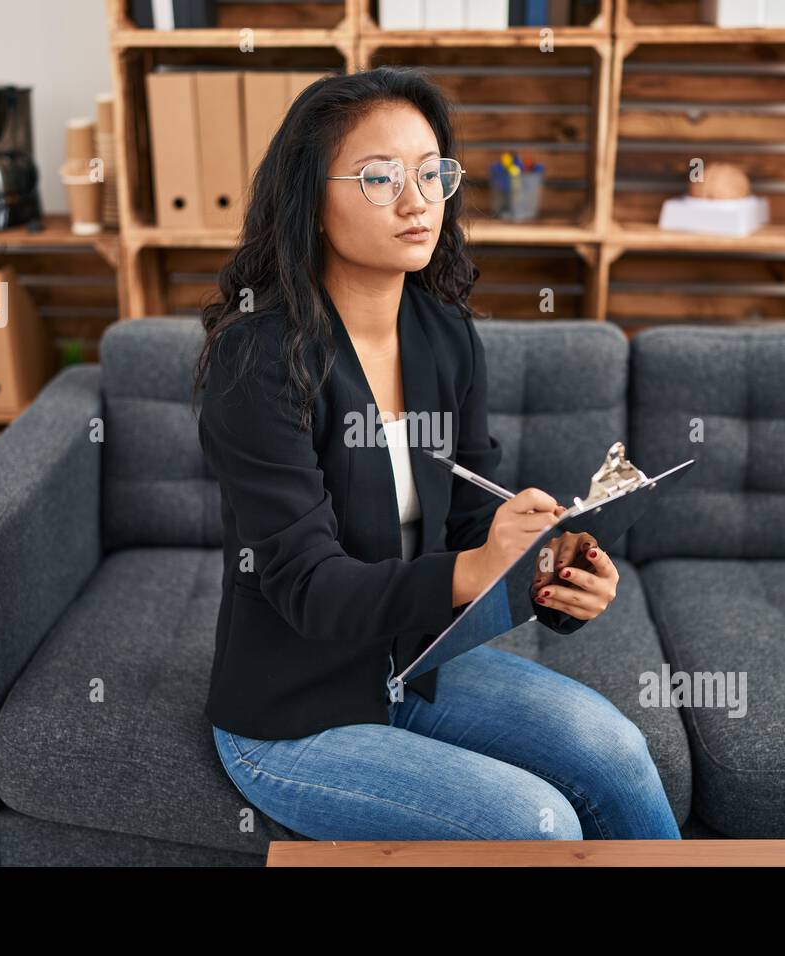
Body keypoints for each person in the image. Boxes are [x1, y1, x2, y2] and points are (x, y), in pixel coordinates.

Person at [190, 66, 680, 841]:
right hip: (294, 714)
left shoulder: (443, 335)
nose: (418, 201)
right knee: (540, 824)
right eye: (381, 178)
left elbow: (468, 511)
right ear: (310, 199)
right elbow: (311, 588)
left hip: (418, 664)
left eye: (431, 173)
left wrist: (551, 572)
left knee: (618, 751)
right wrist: (475, 568)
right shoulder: (257, 362)